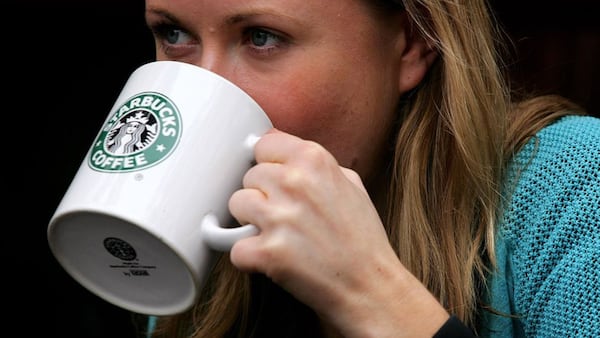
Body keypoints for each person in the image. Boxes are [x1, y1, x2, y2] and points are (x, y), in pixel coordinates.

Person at [135, 0, 599, 337]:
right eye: (174, 35)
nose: (204, 92)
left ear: (413, 45)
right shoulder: (209, 239)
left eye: (261, 37)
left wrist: (368, 292)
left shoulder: (569, 181)